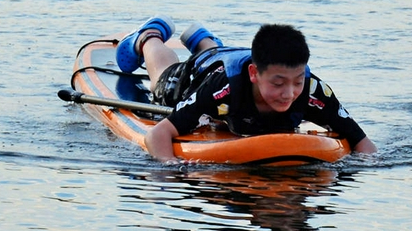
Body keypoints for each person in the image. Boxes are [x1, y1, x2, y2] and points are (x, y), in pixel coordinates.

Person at [110, 18, 376, 160]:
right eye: (278, 84)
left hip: (232, 58)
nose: (289, 93)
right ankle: (149, 36)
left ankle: (203, 40)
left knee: (219, 55)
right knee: (162, 82)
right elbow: (158, 135)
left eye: (297, 81)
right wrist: (171, 172)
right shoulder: (223, 88)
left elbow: (363, 142)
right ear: (254, 75)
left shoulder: (314, 91)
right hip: (207, 71)